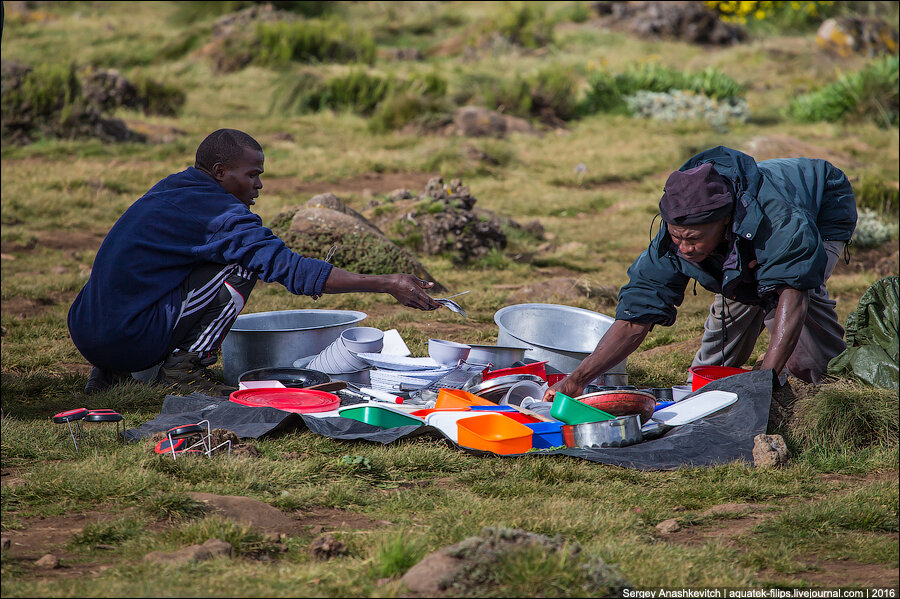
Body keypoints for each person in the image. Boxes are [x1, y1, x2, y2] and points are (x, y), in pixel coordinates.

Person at [68, 129, 441, 395]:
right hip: (127, 339)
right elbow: (288, 269)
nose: (259, 185)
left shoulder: (172, 189)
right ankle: (183, 370)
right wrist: (386, 282)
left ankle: (110, 372)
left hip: (87, 331)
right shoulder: (218, 214)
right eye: (252, 175)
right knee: (244, 265)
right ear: (219, 172)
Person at [544, 145, 857, 401]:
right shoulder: (674, 240)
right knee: (737, 298)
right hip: (745, 240)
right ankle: (708, 388)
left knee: (794, 305)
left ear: (723, 222)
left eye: (693, 239)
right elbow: (633, 319)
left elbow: (794, 290)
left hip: (821, 205)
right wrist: (577, 380)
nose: (684, 249)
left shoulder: (781, 223)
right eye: (677, 237)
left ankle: (832, 388)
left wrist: (767, 378)